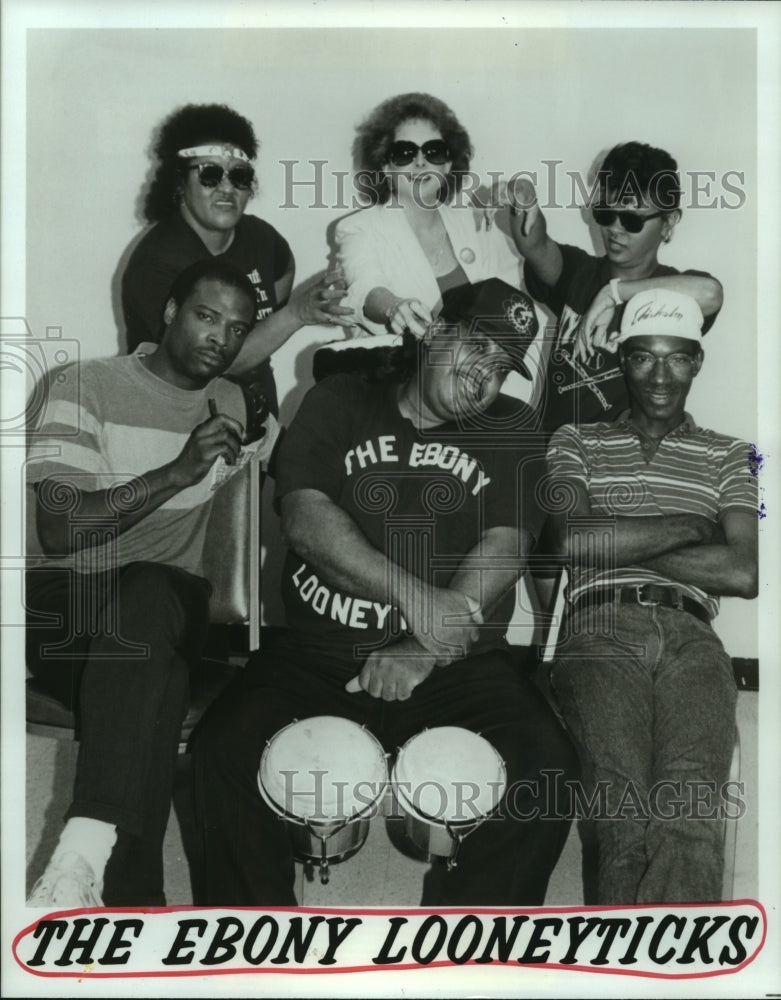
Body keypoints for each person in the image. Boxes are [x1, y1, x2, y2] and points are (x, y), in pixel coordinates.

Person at [192, 278, 577, 906]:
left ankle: (466, 955)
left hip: (460, 660)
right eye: (477, 351)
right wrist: (418, 601)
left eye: (503, 368)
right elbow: (307, 522)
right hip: (319, 651)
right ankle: (253, 953)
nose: (486, 379)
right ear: (436, 331)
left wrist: (425, 647)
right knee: (224, 752)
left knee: (547, 768)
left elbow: (506, 546)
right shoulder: (339, 398)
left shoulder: (513, 424)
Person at [26, 259, 278, 907]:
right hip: (70, 610)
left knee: (153, 596)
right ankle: (135, 906)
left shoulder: (227, 402)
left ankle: (82, 853)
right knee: (150, 686)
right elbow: (57, 531)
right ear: (169, 313)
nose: (220, 337)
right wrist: (175, 471)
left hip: (170, 605)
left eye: (237, 328)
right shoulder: (84, 384)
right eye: (206, 316)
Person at [545, 288, 758, 904]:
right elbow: (576, 543)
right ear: (621, 362)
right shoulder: (574, 440)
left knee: (691, 813)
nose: (660, 375)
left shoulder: (732, 453)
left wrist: (621, 539)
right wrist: (696, 527)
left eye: (676, 358)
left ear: (697, 362)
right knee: (623, 820)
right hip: (598, 630)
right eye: (642, 357)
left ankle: (677, 978)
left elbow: (744, 573)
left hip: (694, 637)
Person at [121, 102, 352, 418]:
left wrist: (279, 321)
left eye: (239, 176)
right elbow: (207, 364)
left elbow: (282, 274)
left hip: (255, 415)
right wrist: (297, 314)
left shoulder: (263, 239)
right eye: (210, 174)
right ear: (179, 184)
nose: (226, 188)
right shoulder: (156, 263)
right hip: (174, 421)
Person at [508, 140, 724, 435]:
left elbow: (710, 293)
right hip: (552, 454)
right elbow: (534, 243)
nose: (615, 229)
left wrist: (615, 293)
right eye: (606, 214)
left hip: (620, 463)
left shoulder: (674, 295)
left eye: (632, 220)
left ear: (668, 222)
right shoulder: (578, 272)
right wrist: (523, 196)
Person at [334, 92, 532, 339]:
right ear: (385, 166)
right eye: (405, 152)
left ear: (447, 164)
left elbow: (520, 283)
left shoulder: (476, 220)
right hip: (399, 374)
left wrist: (522, 202)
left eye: (433, 151)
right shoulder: (358, 228)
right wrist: (393, 307)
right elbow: (364, 288)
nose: (420, 162)